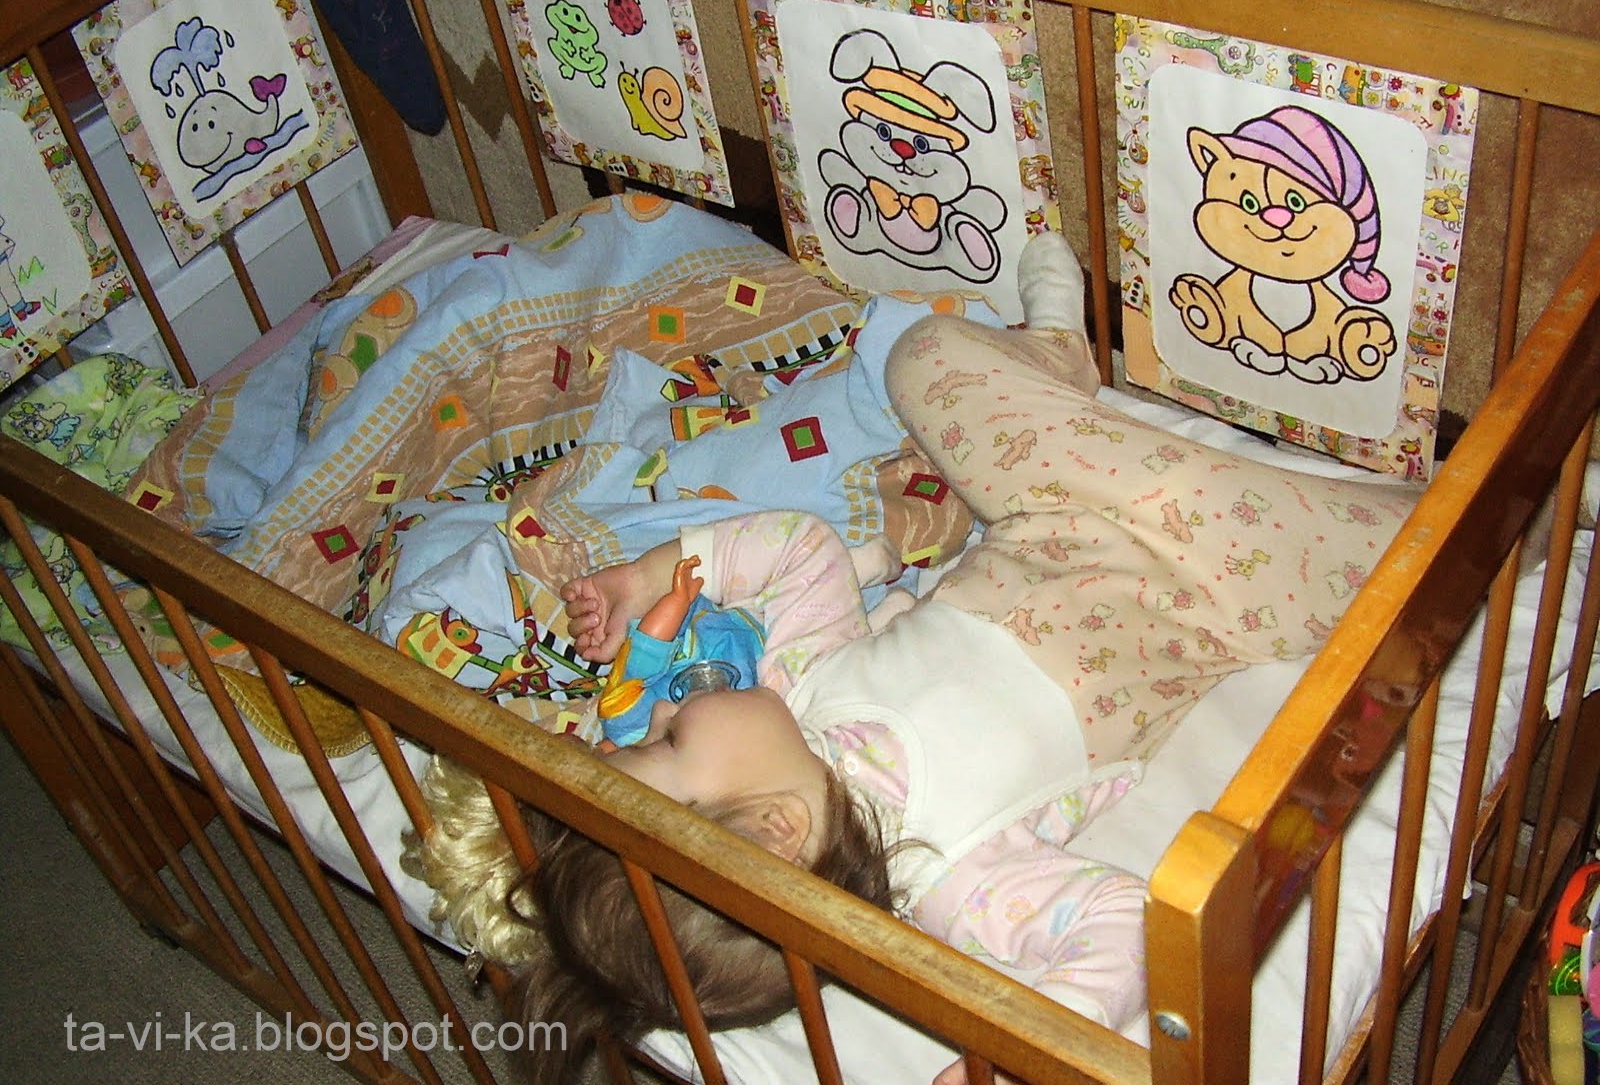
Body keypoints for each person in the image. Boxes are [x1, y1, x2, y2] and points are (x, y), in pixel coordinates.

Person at [406, 232, 1417, 1085]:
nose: (667, 706)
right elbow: (1117, 929)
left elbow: (799, 550)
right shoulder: (955, 880)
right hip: (1203, 601)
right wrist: (1011, 1053)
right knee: (1384, 555)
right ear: (775, 828)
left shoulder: (801, 690)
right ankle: (1457, 503)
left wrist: (654, 573)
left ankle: (1059, 367)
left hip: (1047, 517)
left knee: (920, 356)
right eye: (670, 740)